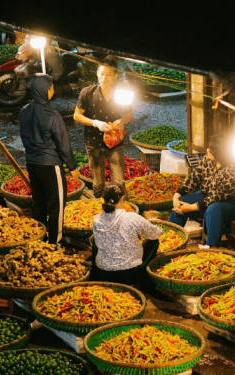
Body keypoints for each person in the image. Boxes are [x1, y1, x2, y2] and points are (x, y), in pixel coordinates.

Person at [19, 74, 80, 245]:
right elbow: (63, 143)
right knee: (57, 205)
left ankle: (39, 238)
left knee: (38, 202)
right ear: (46, 90)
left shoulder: (24, 111)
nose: (53, 90)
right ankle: (55, 242)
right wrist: (72, 166)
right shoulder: (52, 115)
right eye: (51, 87)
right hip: (50, 164)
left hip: (31, 163)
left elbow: (23, 135)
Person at [169, 136, 235, 247]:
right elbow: (193, 178)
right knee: (181, 201)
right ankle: (170, 239)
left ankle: (211, 247)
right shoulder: (207, 160)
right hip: (206, 197)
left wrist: (191, 207)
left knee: (213, 209)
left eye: (211, 149)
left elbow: (216, 197)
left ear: (220, 154)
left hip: (229, 205)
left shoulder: (233, 171)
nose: (208, 150)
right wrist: (176, 196)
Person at [73, 60, 133, 194]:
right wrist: (96, 123)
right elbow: (77, 116)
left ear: (115, 75)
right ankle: (100, 209)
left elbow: (129, 115)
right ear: (97, 73)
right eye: (101, 74)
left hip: (115, 143)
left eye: (109, 75)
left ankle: (120, 210)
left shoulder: (121, 94)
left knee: (119, 182)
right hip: (94, 142)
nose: (104, 78)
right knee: (98, 183)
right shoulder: (87, 92)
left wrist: (122, 121)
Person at [92, 184, 162, 286]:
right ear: (122, 199)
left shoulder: (97, 219)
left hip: (103, 273)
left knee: (95, 240)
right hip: (129, 275)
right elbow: (155, 234)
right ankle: (145, 280)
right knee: (154, 241)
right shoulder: (131, 217)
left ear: (103, 199)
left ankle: (94, 275)